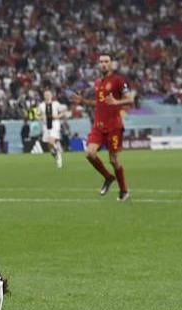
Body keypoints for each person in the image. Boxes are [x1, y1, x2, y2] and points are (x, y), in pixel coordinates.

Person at [71, 54, 135, 201]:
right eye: (101, 62)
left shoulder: (118, 80)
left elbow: (130, 100)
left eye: (106, 61)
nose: (104, 64)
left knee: (113, 160)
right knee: (89, 153)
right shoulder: (98, 82)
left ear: (111, 64)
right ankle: (108, 177)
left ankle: (124, 191)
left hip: (114, 127)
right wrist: (83, 101)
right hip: (99, 126)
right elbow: (99, 103)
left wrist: (116, 102)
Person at [35, 90, 69, 168]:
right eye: (45, 95)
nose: (47, 96)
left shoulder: (56, 104)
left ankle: (58, 154)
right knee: (49, 147)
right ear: (44, 96)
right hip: (46, 125)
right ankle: (56, 156)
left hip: (54, 124)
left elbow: (64, 111)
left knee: (51, 141)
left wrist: (57, 116)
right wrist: (41, 117)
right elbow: (36, 115)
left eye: (48, 94)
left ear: (51, 96)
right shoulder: (41, 105)